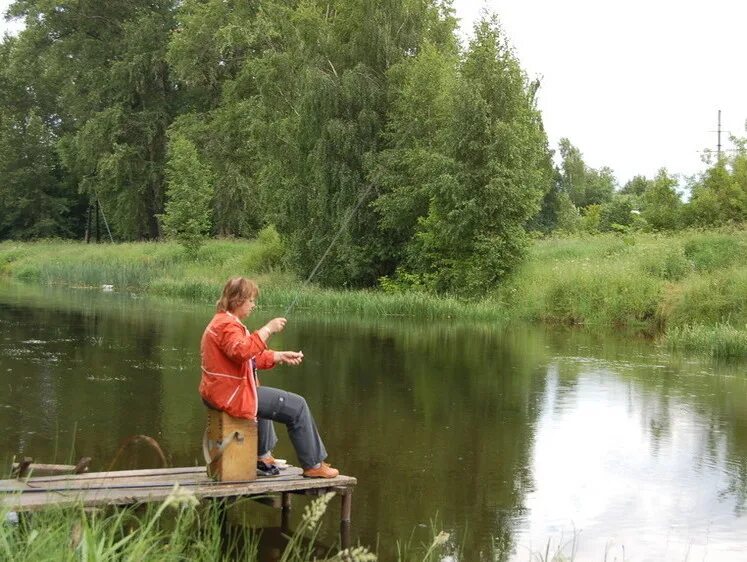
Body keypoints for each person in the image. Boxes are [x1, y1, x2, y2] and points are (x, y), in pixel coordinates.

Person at [200, 276, 339, 478]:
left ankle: (263, 456)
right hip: (230, 395)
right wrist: (267, 329)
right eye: (251, 300)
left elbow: (248, 357)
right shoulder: (227, 326)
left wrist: (278, 356)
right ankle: (313, 465)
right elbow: (241, 352)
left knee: (261, 396)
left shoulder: (223, 321)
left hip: (221, 392)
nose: (253, 305)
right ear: (238, 300)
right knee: (297, 406)